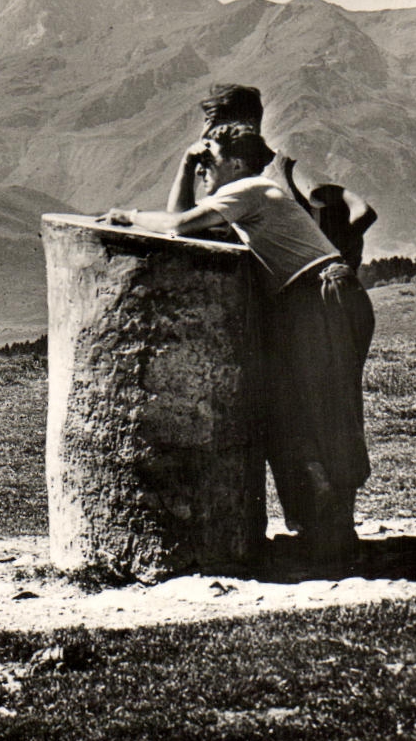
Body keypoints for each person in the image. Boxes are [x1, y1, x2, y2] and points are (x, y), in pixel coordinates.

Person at [105, 84, 375, 566]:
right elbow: (180, 216)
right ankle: (322, 531)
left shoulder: (252, 186)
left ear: (232, 158)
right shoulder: (248, 185)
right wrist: (189, 166)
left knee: (324, 413)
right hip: (311, 300)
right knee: (302, 416)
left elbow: (178, 224)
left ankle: (336, 538)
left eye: (209, 155)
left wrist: (127, 214)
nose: (203, 161)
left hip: (322, 297)